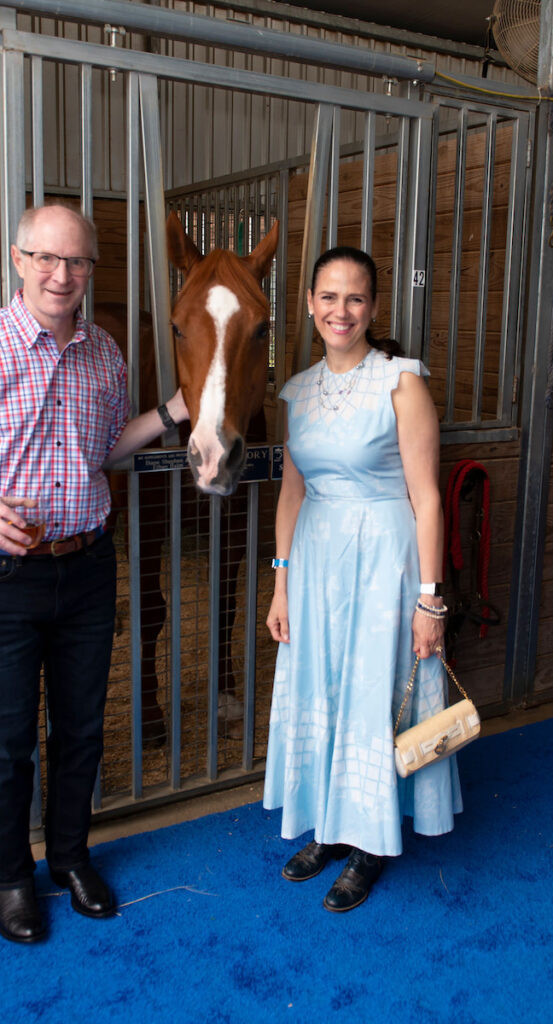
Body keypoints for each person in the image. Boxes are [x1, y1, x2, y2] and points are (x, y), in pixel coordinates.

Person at [0, 202, 189, 944]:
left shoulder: (104, 353)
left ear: (91, 270)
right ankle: (9, 879)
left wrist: (169, 412)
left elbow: (103, 448)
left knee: (83, 730)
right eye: (48, 259)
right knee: (6, 742)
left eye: (78, 262)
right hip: (0, 575)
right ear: (18, 259)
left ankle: (69, 860)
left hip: (86, 566)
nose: (63, 275)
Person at [264, 246, 462, 912]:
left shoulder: (401, 381)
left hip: (385, 556)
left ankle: (370, 843)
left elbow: (427, 497)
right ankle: (328, 824)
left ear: (372, 308)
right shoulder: (294, 389)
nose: (339, 310)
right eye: (327, 297)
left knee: (376, 688)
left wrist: (429, 600)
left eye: (353, 298)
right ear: (310, 305)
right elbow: (291, 492)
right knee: (322, 683)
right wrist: (281, 581)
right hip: (316, 558)